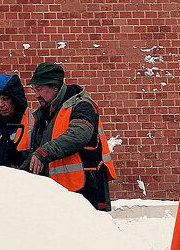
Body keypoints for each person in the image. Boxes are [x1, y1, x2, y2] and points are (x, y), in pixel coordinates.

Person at [23, 62, 116, 211]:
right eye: (34, 90)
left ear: (55, 87)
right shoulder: (47, 114)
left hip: (87, 191)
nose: (36, 95)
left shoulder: (82, 106)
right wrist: (19, 177)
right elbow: (36, 153)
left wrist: (44, 152)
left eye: (39, 89)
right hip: (63, 192)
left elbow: (79, 134)